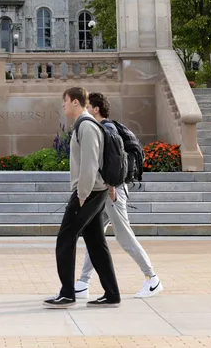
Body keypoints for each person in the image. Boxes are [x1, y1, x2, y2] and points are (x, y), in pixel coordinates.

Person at [74, 92, 163, 299]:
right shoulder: (107, 127)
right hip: (108, 190)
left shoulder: (106, 128)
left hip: (112, 190)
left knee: (124, 236)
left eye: (88, 107)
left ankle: (152, 279)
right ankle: (83, 282)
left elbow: (113, 161)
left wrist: (112, 187)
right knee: (95, 236)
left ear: (96, 109)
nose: (85, 111)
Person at [44, 86, 120, 309]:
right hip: (95, 191)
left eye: (65, 101)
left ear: (76, 102)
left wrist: (82, 195)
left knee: (65, 239)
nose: (63, 105)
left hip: (89, 192)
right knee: (96, 243)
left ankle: (67, 293)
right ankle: (112, 294)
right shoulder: (85, 125)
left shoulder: (86, 127)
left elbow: (89, 164)